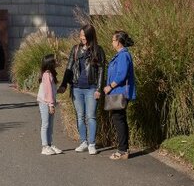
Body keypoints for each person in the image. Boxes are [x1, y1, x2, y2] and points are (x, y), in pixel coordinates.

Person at [57, 24, 106, 155]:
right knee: (80, 116)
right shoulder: (76, 49)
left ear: (90, 35)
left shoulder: (98, 50)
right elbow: (69, 67)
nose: (81, 37)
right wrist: (64, 84)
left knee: (91, 116)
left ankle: (91, 144)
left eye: (84, 35)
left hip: (91, 88)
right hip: (76, 88)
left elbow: (101, 70)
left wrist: (98, 89)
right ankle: (83, 142)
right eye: (80, 35)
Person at [103, 30, 136, 160]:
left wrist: (110, 86)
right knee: (119, 119)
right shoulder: (120, 55)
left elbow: (121, 75)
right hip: (117, 93)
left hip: (120, 92)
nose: (112, 42)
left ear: (118, 42)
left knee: (119, 120)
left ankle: (122, 150)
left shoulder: (123, 55)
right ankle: (123, 149)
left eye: (113, 40)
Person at [37, 54, 63, 155]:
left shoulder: (50, 74)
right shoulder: (46, 74)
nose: (57, 62)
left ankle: (49, 143)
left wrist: (58, 91)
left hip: (49, 101)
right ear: (50, 63)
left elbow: (51, 90)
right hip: (45, 102)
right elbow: (47, 91)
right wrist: (51, 105)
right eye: (55, 61)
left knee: (50, 124)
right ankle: (45, 146)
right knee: (46, 124)